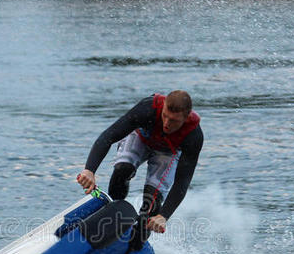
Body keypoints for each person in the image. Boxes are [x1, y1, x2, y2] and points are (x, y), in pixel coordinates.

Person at [77, 90, 203, 239]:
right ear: (163, 108)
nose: (167, 124)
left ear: (186, 117)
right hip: (141, 138)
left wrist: (164, 216)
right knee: (122, 170)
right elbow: (108, 136)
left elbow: (182, 181)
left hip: (167, 153)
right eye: (165, 116)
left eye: (174, 121)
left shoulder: (194, 136)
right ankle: (112, 214)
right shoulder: (148, 108)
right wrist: (89, 170)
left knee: (152, 203)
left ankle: (136, 244)